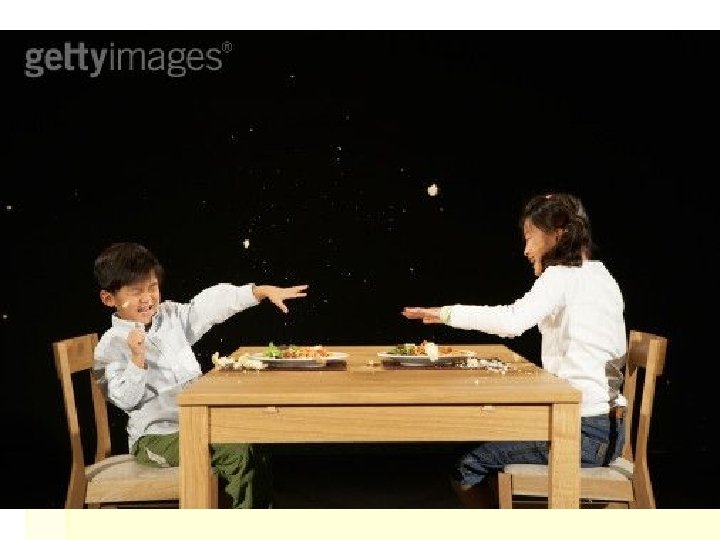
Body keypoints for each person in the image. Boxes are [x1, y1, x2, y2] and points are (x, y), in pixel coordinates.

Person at [402, 192, 627, 508]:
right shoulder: (601, 275)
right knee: (488, 440)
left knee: (465, 464)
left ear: (558, 233)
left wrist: (446, 313)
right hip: (609, 431)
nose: (526, 249)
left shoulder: (561, 276)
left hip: (581, 434)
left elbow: (512, 321)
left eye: (530, 237)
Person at [92, 241, 308, 509]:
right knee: (237, 451)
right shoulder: (111, 345)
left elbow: (207, 306)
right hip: (156, 439)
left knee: (254, 435)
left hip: (198, 423)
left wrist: (257, 292)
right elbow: (125, 400)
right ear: (109, 299)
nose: (147, 298)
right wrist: (137, 359)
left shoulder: (170, 316)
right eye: (136, 292)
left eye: (153, 287)